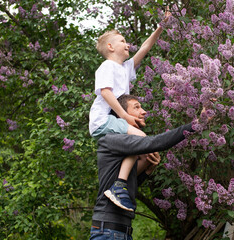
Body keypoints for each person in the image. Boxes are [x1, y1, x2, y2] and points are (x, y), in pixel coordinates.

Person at [89, 9, 171, 212]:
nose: (128, 45)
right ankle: (119, 185)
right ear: (110, 47)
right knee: (141, 140)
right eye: (123, 41)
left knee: (146, 152)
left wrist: (161, 27)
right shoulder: (107, 66)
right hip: (102, 119)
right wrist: (125, 116)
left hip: (115, 120)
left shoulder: (125, 68)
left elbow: (144, 48)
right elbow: (106, 93)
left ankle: (126, 182)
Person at [90, 94, 196, 240]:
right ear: (123, 114)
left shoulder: (128, 150)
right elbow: (155, 142)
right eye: (137, 107)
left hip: (119, 230)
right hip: (109, 230)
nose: (144, 111)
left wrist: (147, 171)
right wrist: (194, 125)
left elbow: (128, 185)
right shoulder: (112, 139)